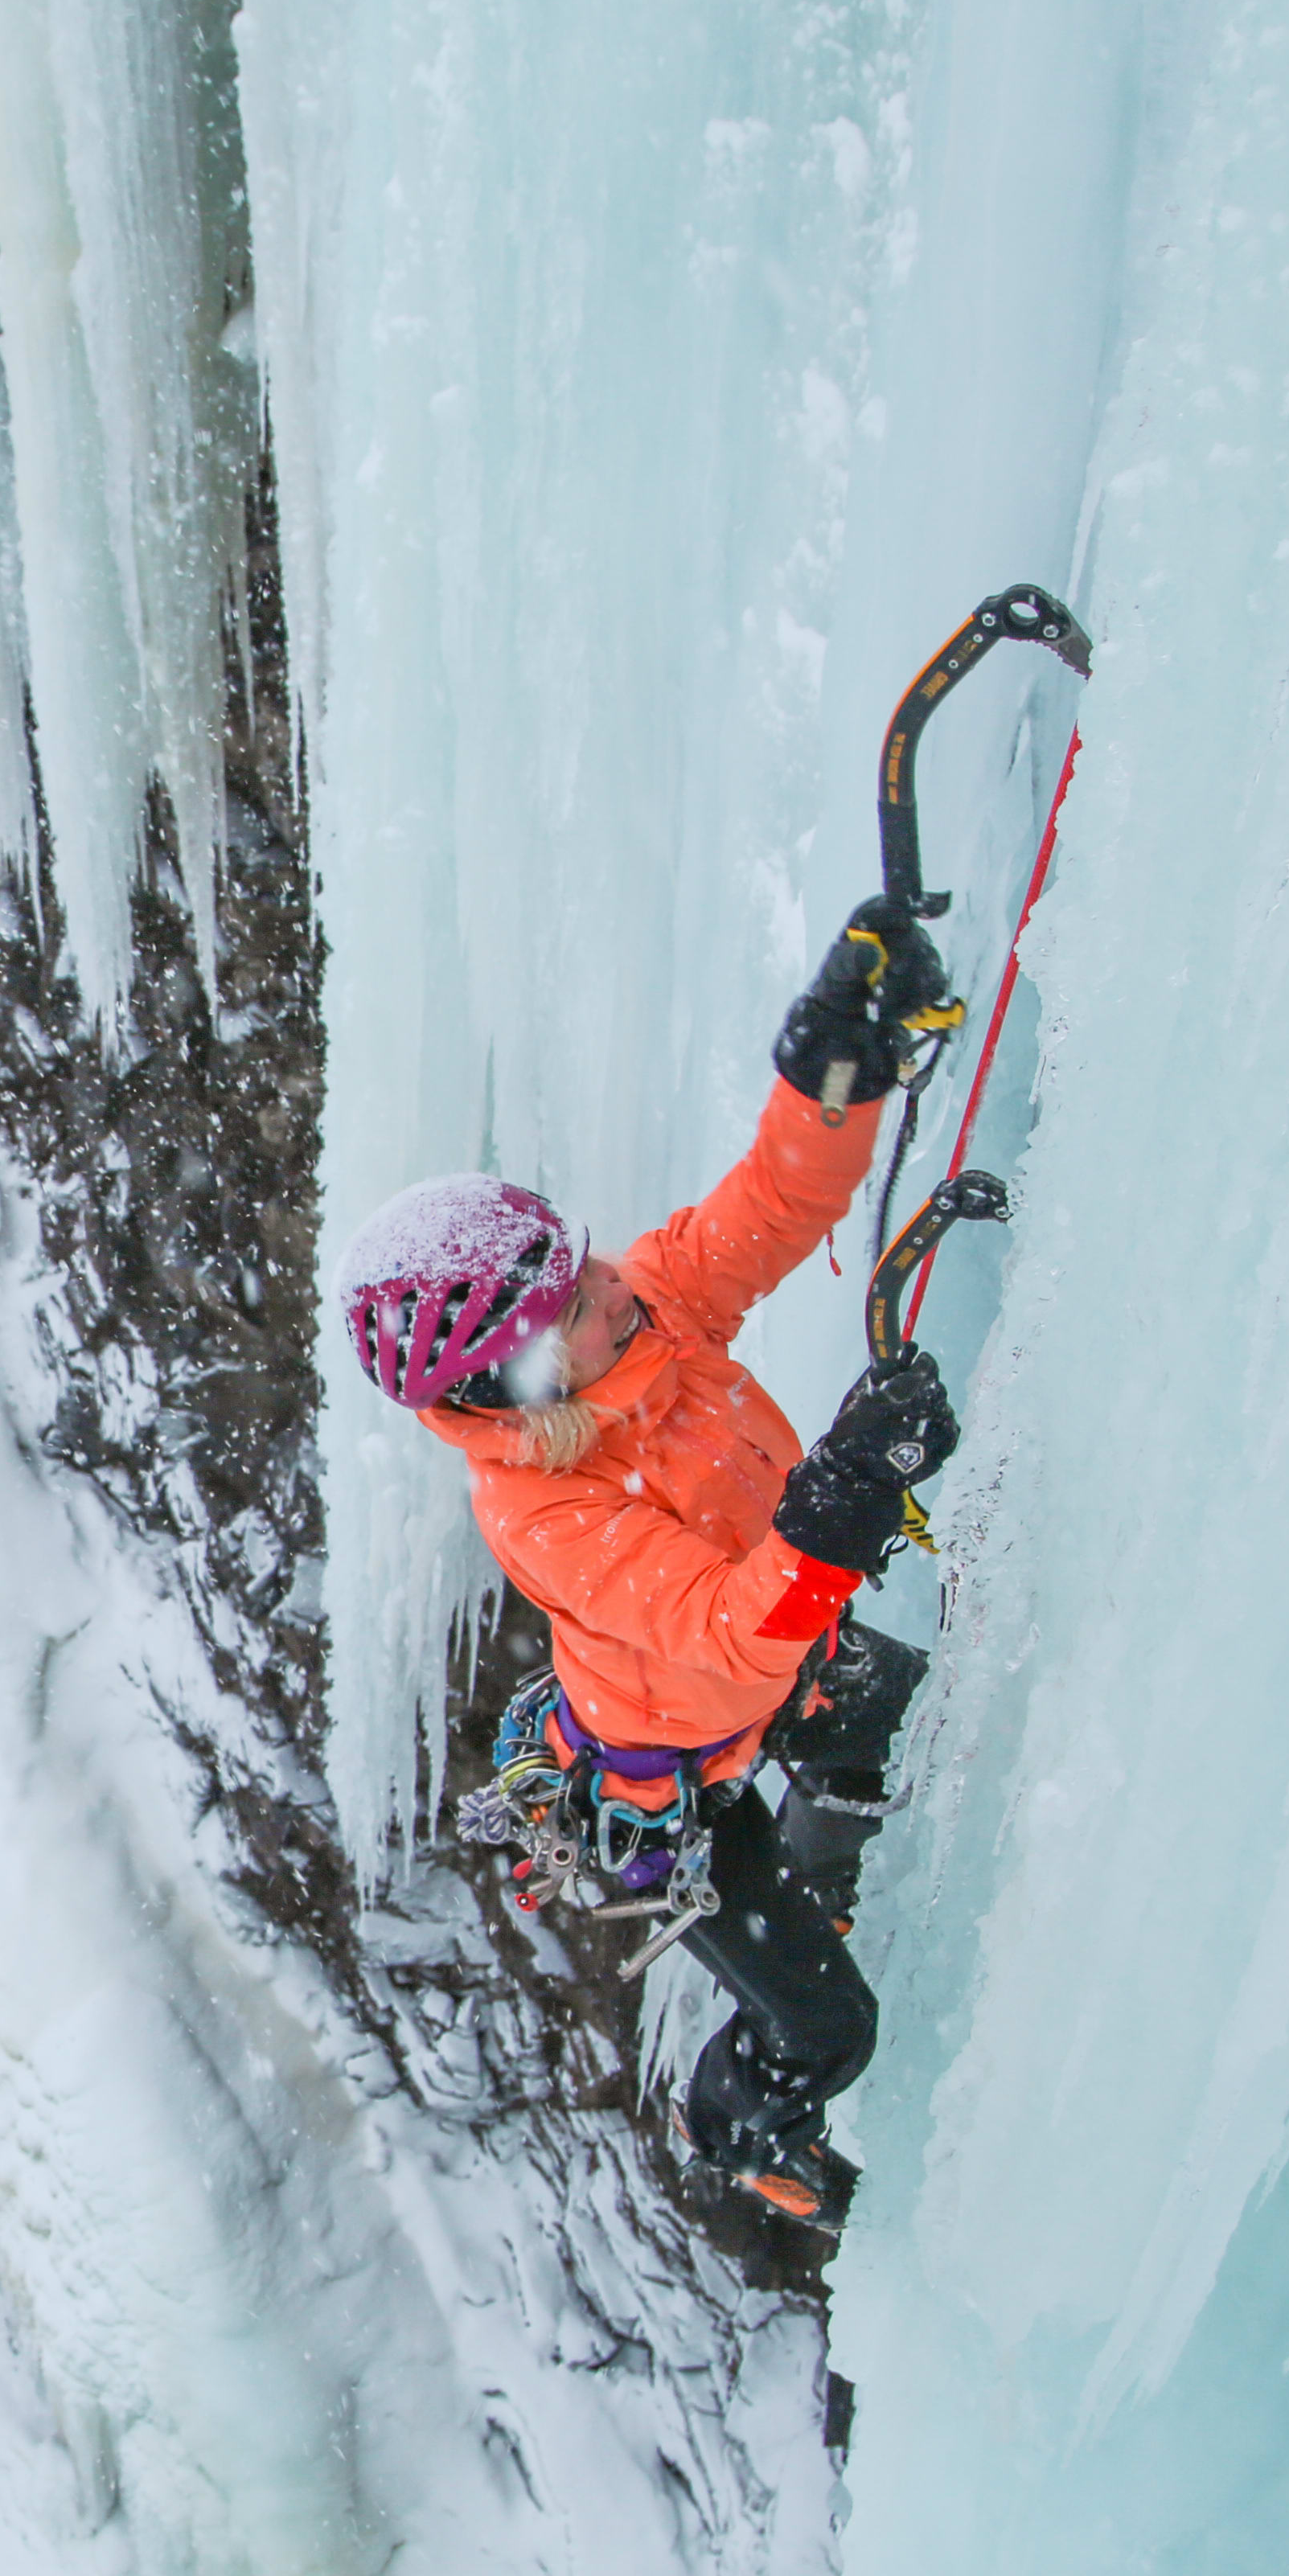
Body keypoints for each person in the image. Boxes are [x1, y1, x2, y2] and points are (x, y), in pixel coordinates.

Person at [335, 907, 966, 2229]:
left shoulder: (651, 1307)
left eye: (579, 1262)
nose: (609, 1278)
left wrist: (830, 1076)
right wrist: (844, 1505)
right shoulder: (542, 1510)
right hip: (675, 1783)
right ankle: (738, 2123)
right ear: (517, 1378)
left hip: (771, 1674)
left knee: (907, 1719)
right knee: (828, 2029)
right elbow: (733, 1633)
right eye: (572, 1300)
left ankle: (835, 1835)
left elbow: (774, 1205)